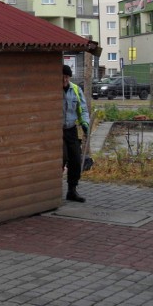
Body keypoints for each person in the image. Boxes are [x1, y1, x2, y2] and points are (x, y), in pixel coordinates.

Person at [62, 64, 90, 203]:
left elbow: (83, 109)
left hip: (71, 129)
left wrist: (85, 123)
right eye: (62, 77)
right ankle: (52, 189)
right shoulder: (52, 90)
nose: (64, 79)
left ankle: (72, 190)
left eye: (66, 77)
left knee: (76, 160)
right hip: (57, 131)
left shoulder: (76, 90)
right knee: (62, 157)